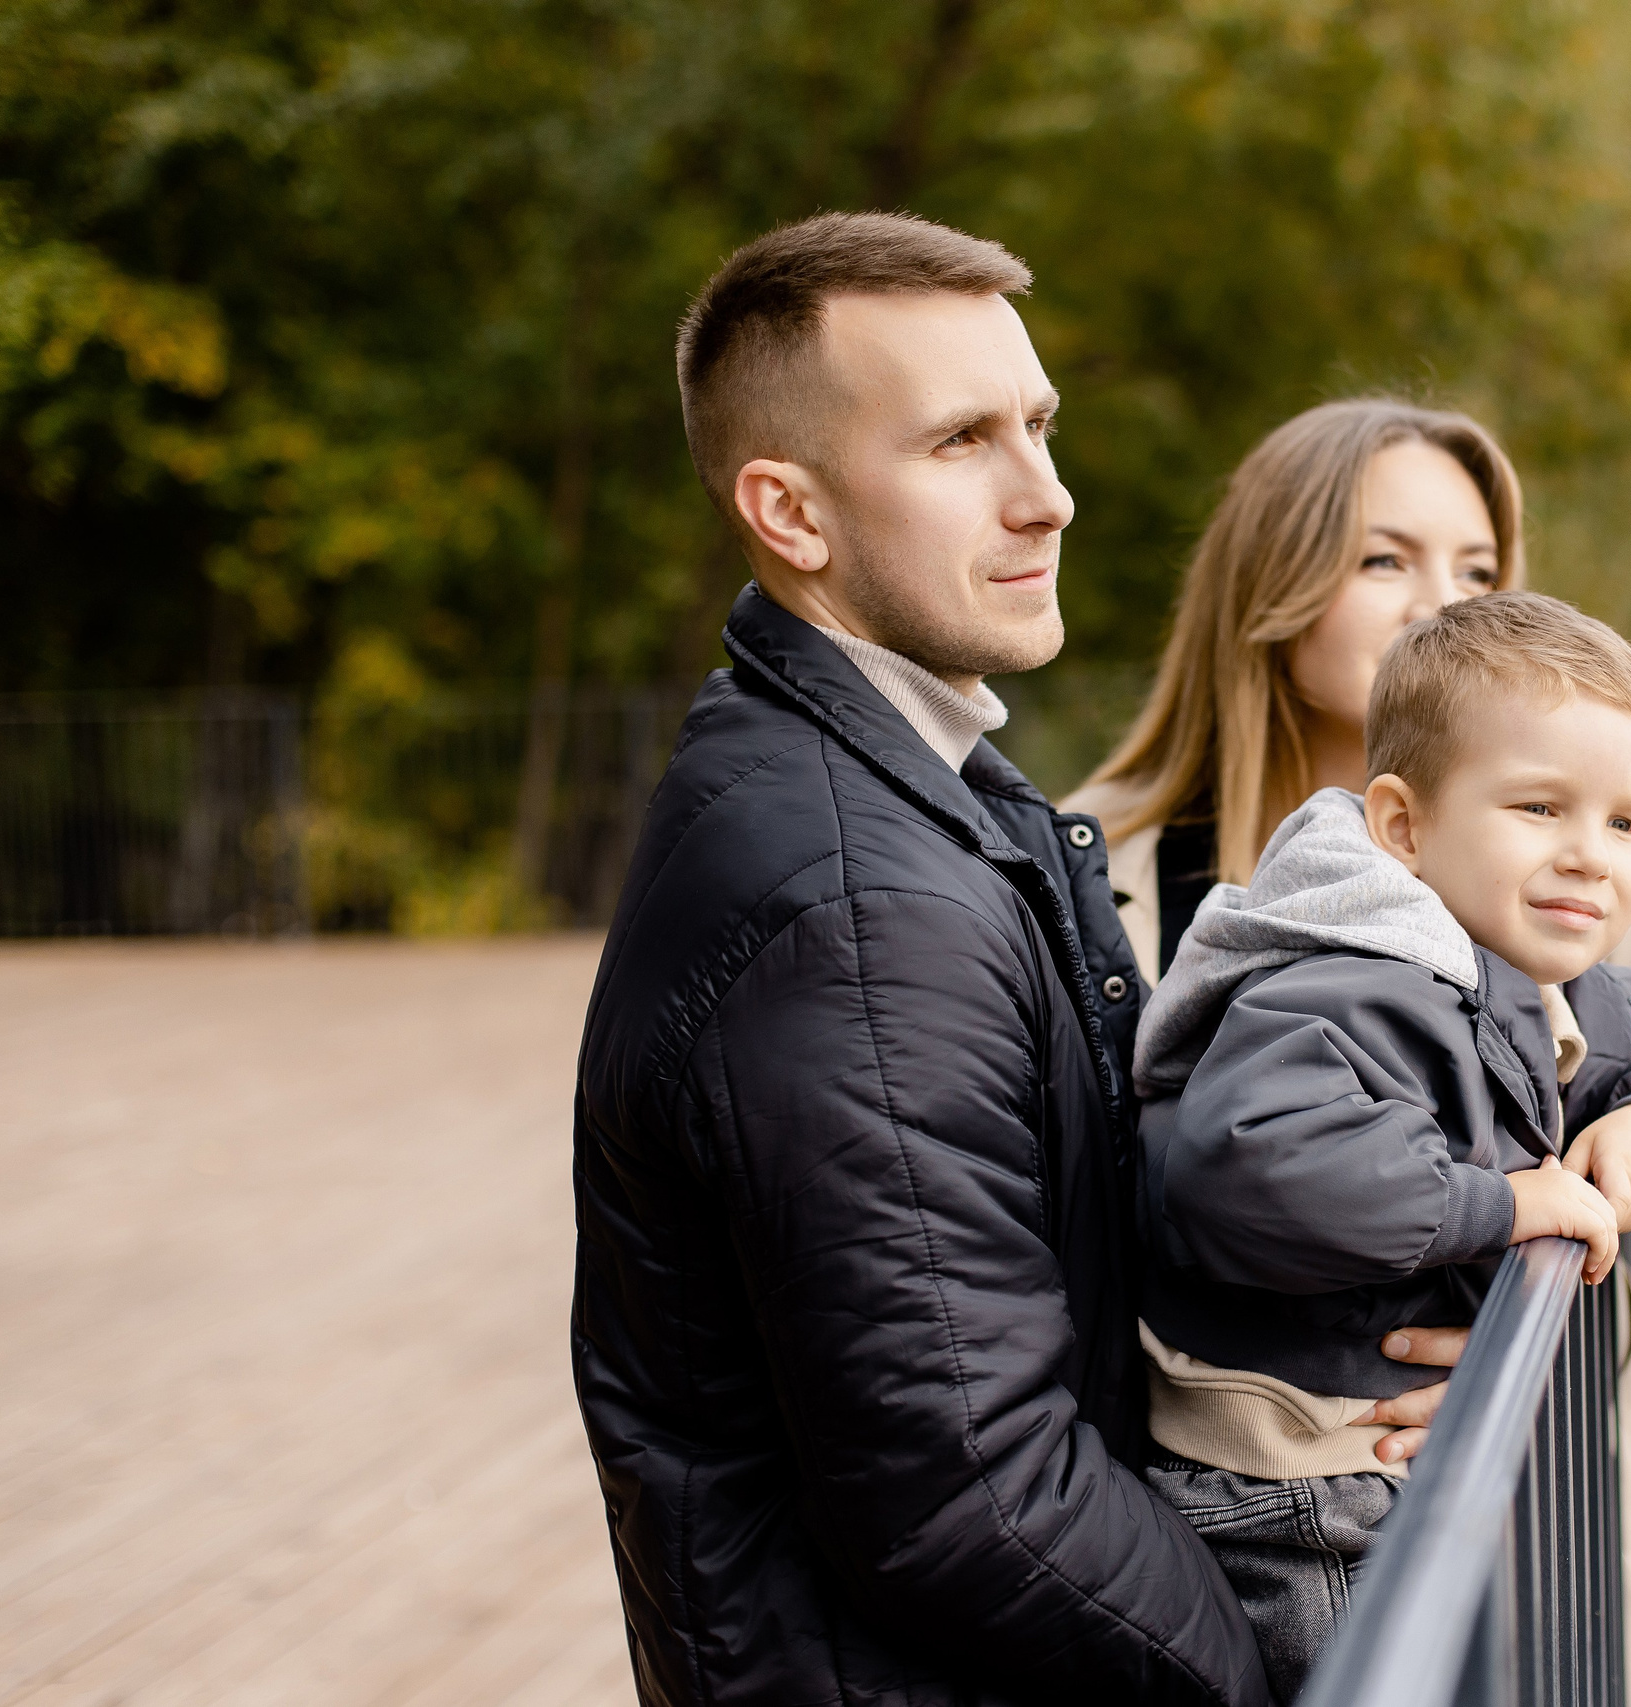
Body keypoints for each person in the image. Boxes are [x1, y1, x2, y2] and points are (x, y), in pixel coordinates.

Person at [574, 210, 1349, 1706]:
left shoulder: (898, 784)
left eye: (1041, 424)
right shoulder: (850, 900)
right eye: (959, 443)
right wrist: (1254, 1675)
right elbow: (975, 1493)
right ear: (789, 514)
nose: (1047, 495)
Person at [1062, 397, 1631, 1700]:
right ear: (1270, 587)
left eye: (1475, 570)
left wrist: (1555, 1256)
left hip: (1522, 1569)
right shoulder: (1097, 873)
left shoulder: (1570, 876)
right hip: (1173, 1558)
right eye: (1385, 558)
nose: (1436, 601)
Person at [1132, 594, 1631, 1702]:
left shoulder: (1544, 985)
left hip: (1383, 1479)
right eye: (1538, 807)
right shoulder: (1345, 988)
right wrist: (1510, 1207)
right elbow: (1261, 1163)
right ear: (1403, 826)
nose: (1591, 857)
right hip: (1302, 1493)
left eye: (1625, 824)